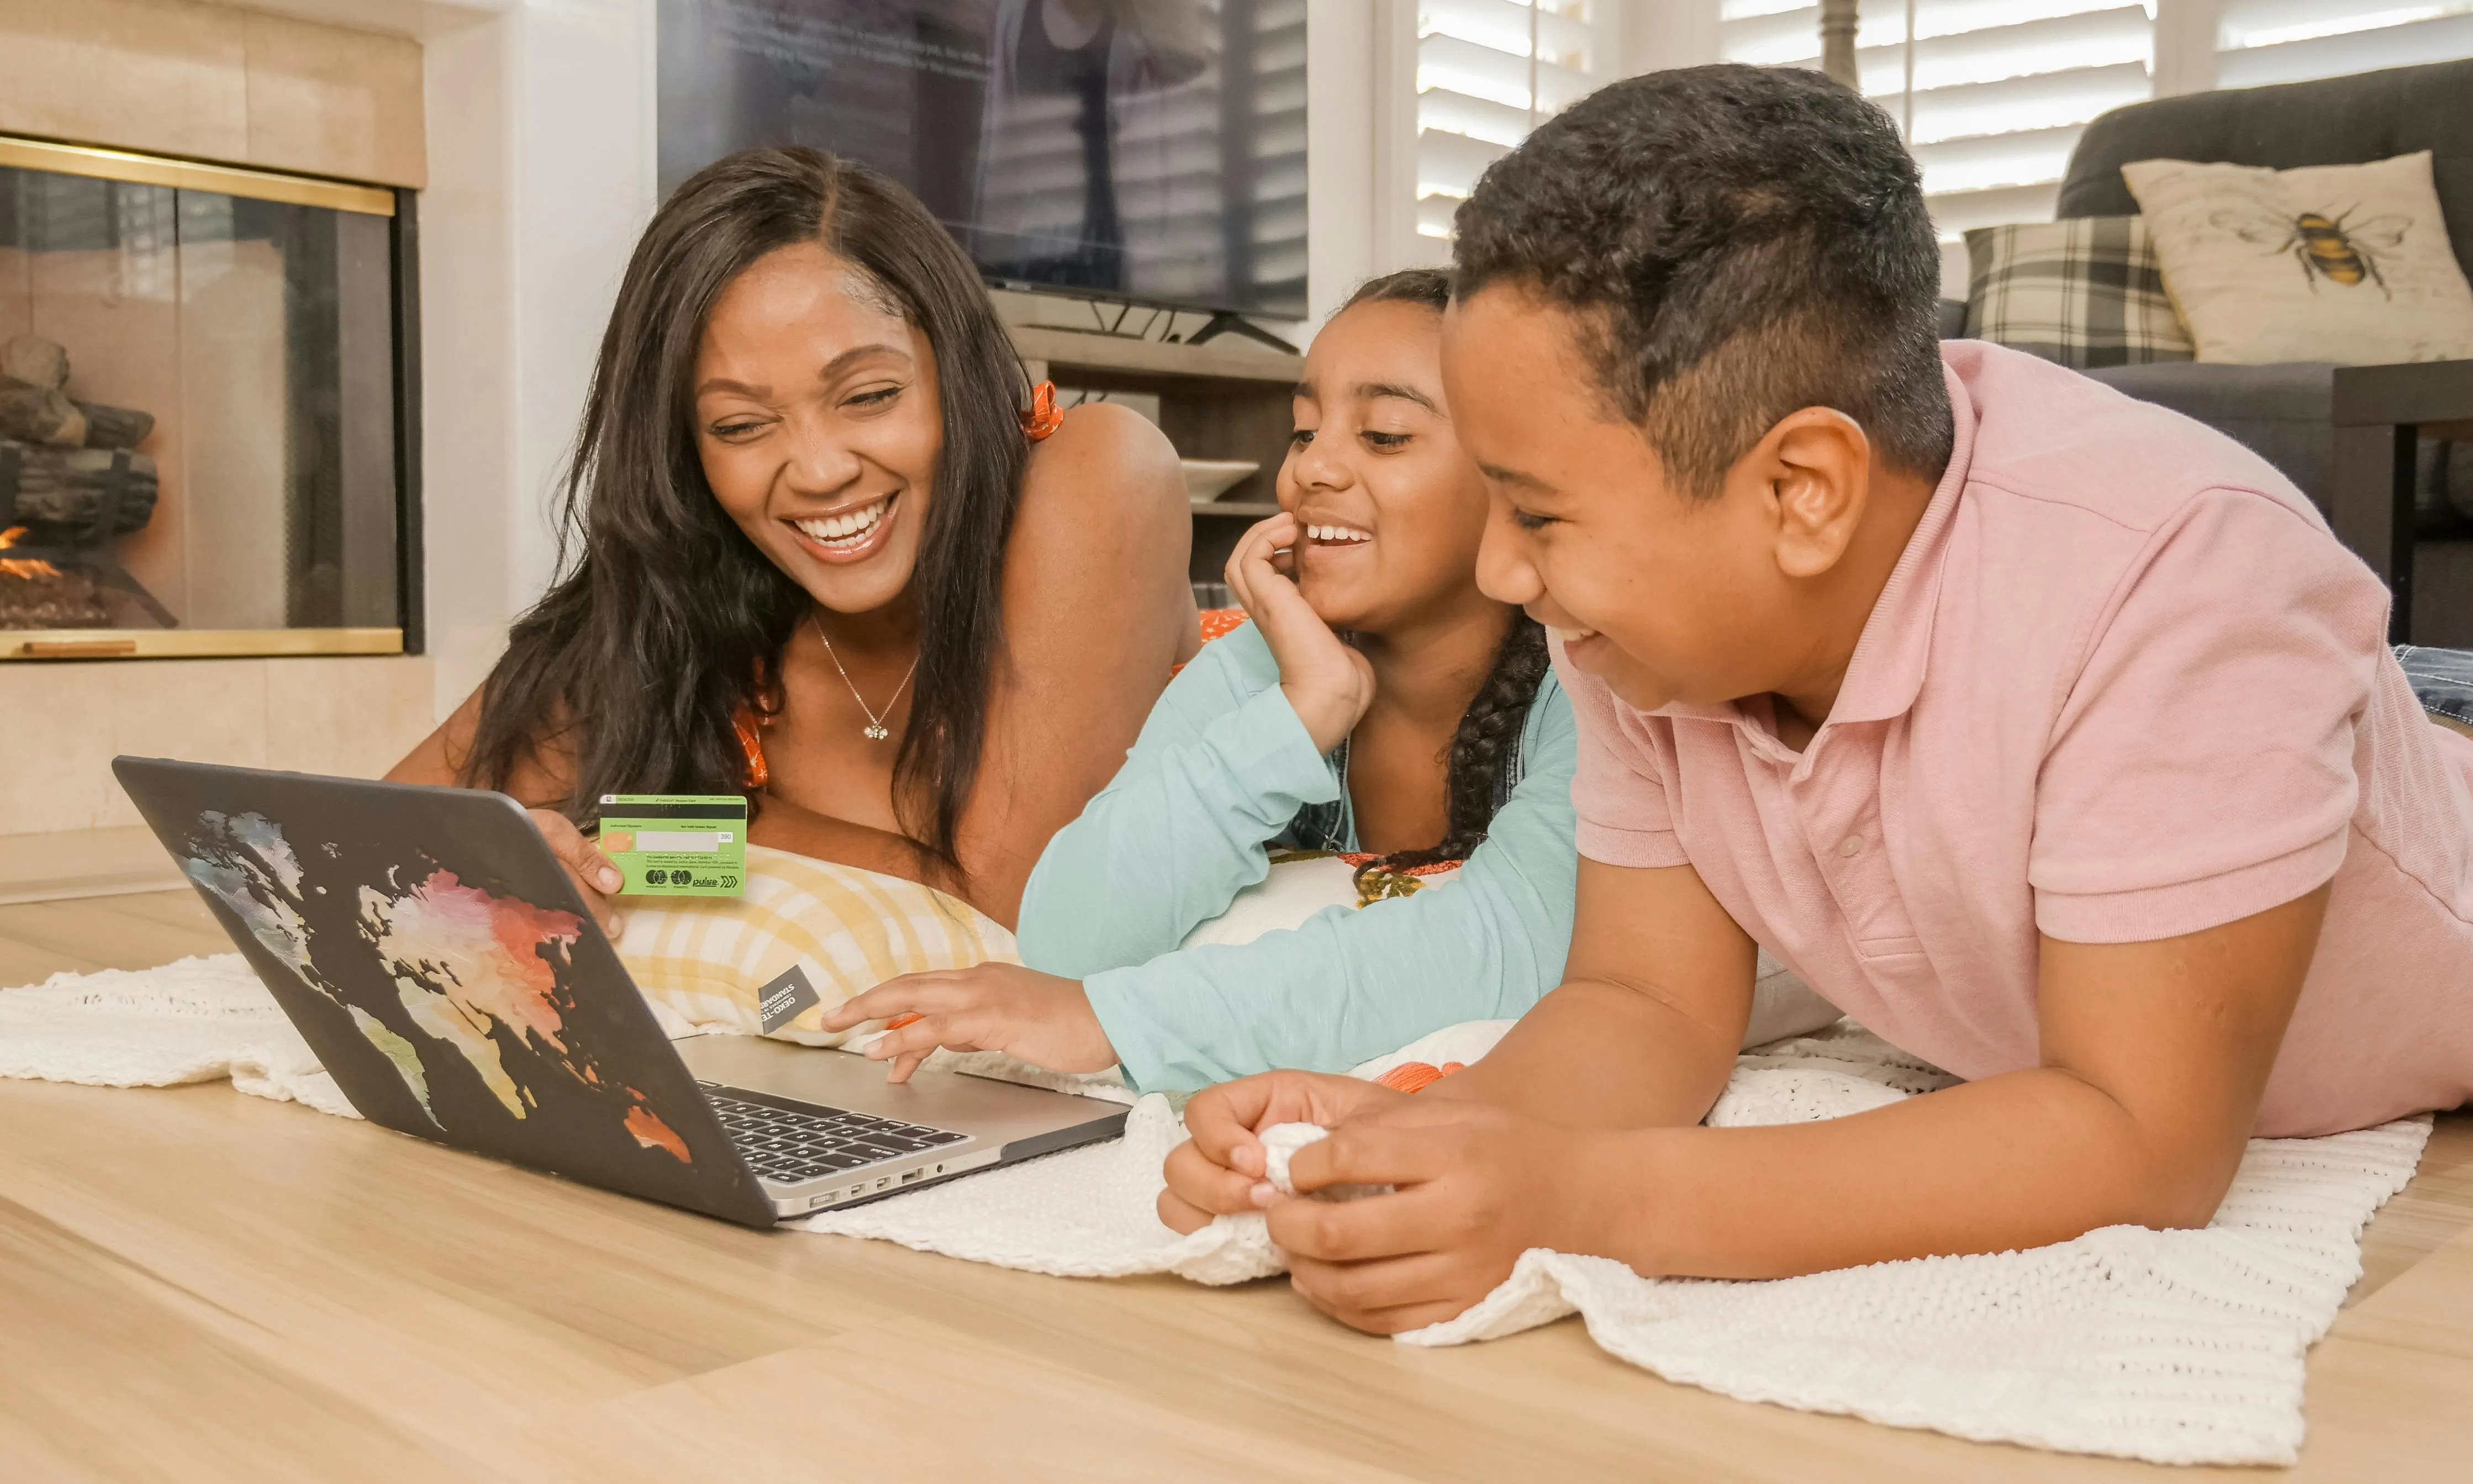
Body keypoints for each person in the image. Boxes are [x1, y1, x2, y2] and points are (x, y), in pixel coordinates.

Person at [1157, 65, 2473, 1335]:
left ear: (1802, 492)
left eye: (1540, 515)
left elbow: (2142, 1135)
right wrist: (1434, 1134)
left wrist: (1590, 1197)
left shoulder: (2185, 573)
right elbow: (1645, 1001)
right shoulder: (1636, 624)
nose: (1504, 569)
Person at [388, 147, 1194, 931]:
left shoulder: (1093, 474)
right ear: (686, 451)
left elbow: (1010, 905)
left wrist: (645, 836)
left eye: (869, 395)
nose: (817, 470)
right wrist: (543, 849)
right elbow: (350, 841)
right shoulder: (684, 626)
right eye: (741, 425)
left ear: (954, 370)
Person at [820, 270, 1580, 1088]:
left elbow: (1516, 943)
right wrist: (1298, 716)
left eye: (1385, 435)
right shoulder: (1267, 661)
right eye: (1303, 432)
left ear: (1517, 477)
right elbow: (1068, 938)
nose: (1313, 470)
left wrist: (1117, 1019)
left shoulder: (1595, 686)